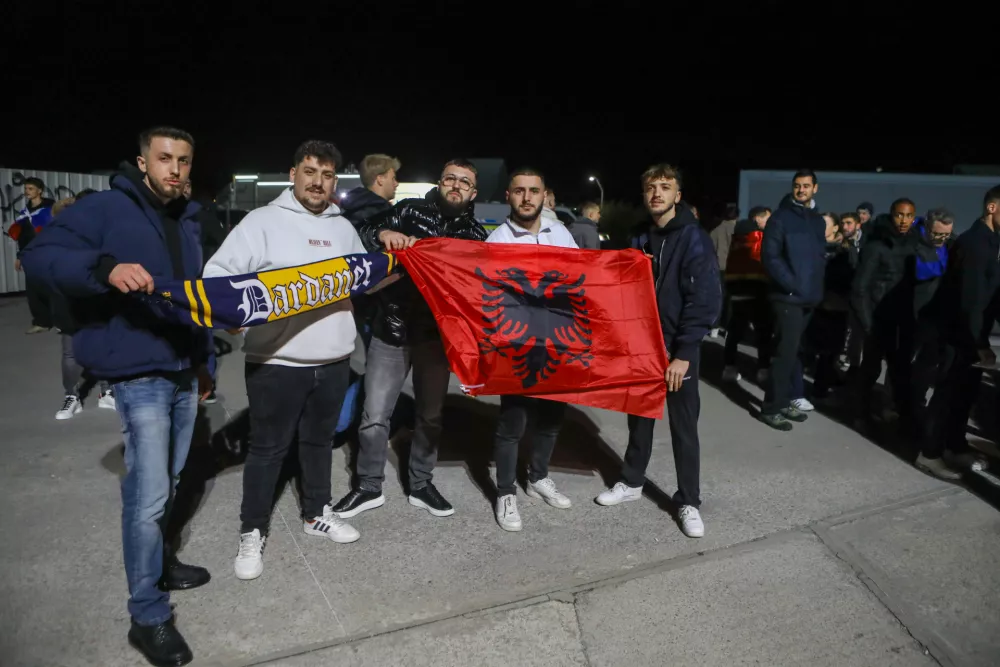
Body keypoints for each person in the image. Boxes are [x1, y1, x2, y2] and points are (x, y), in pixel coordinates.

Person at [20, 127, 213, 667]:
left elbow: (193, 297)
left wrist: (204, 363)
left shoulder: (189, 218)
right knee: (149, 495)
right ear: (142, 161)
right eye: (164, 158)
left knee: (171, 481)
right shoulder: (107, 207)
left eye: (184, 160)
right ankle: (147, 614)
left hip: (180, 368)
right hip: (138, 372)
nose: (174, 169)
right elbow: (42, 255)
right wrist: (105, 269)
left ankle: (160, 562)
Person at [203, 140, 386, 581]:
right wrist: (234, 320)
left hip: (334, 360)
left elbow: (360, 280)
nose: (317, 182)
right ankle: (252, 529)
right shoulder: (260, 222)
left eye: (326, 175)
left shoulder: (343, 228)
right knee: (267, 449)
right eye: (309, 171)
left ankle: (316, 512)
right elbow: (217, 277)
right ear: (293, 174)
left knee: (318, 443)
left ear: (334, 181)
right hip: (277, 360)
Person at [331, 159, 487, 519]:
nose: (456, 185)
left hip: (437, 338)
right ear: (440, 181)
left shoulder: (478, 237)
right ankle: (368, 486)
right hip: (393, 328)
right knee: (374, 415)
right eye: (450, 178)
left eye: (464, 182)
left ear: (473, 192)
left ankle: (420, 483)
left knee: (430, 416)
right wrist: (382, 236)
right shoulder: (407, 211)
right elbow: (362, 235)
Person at [595, 164, 721, 539]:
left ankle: (688, 501)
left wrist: (684, 352)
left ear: (677, 195)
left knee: (684, 427)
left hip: (678, 349)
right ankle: (632, 482)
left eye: (665, 187)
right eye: (651, 187)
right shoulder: (637, 235)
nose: (657, 193)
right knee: (639, 419)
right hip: (641, 346)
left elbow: (705, 298)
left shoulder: (693, 238)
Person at [485, 168, 578, 531]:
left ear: (544, 195)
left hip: (556, 340)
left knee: (552, 419)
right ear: (509, 195)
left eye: (534, 191)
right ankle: (506, 491)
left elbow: (581, 279)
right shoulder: (497, 240)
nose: (527, 198)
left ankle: (538, 477)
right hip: (517, 342)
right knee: (513, 422)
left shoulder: (561, 232)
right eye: (520, 191)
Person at [917, 186, 1000, 479]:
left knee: (965, 394)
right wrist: (978, 342)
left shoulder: (991, 241)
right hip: (957, 334)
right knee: (946, 396)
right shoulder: (975, 243)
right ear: (992, 207)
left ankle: (955, 446)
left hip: (971, 333)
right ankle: (929, 454)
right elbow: (970, 299)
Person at [757, 170, 827, 431]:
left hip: (809, 297)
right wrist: (792, 284)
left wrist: (814, 289)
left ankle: (785, 400)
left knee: (795, 353)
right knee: (785, 354)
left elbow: (818, 259)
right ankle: (771, 407)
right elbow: (770, 257)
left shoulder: (817, 220)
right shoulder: (780, 218)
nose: (801, 190)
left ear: (815, 189)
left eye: (806, 186)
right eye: (797, 186)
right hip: (787, 297)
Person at [850, 199, 918, 423]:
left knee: (901, 372)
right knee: (870, 370)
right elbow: (859, 288)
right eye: (899, 215)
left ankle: (899, 415)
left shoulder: (915, 244)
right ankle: (859, 414)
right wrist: (868, 324)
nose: (904, 220)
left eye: (908, 216)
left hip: (904, 321)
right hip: (878, 320)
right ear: (891, 215)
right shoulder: (876, 246)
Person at [183, 180, 228, 404]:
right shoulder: (158, 217)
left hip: (201, 288)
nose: (185, 188)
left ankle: (206, 384)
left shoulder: (201, 215)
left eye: (189, 185)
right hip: (173, 290)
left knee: (204, 336)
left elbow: (224, 244)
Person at [721, 205, 772, 383]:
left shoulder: (737, 239)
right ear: (758, 219)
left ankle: (729, 367)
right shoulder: (761, 238)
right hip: (758, 292)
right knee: (763, 333)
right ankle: (764, 369)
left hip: (737, 292)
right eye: (767, 218)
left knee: (735, 332)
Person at [12, 177, 56, 333]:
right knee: (33, 290)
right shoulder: (25, 213)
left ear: (40, 191)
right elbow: (22, 237)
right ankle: (41, 322)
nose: (26, 192)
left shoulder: (51, 208)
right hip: (31, 255)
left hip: (49, 252)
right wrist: (19, 256)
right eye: (25, 189)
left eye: (30, 189)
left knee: (53, 287)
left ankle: (59, 320)